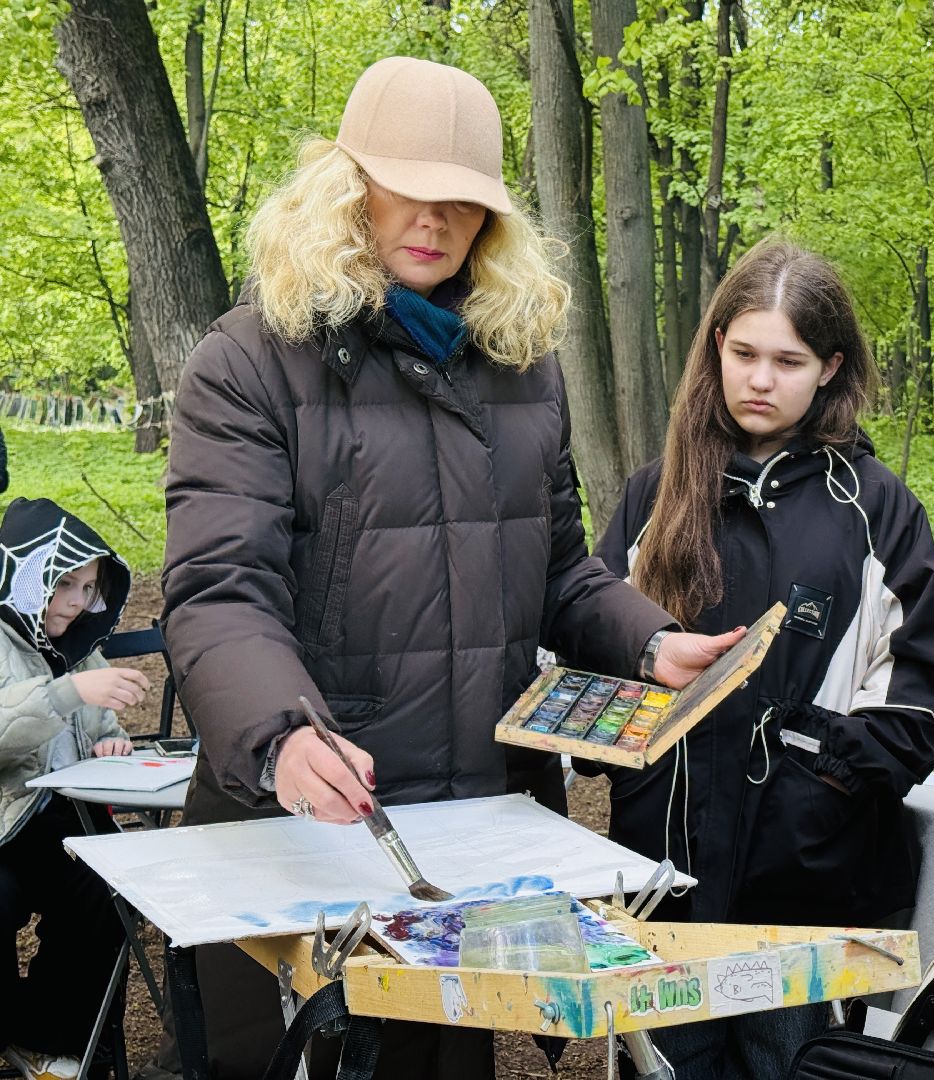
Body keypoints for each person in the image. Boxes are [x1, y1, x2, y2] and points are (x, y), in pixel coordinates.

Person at [161, 56, 740, 1080]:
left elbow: (559, 569)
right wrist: (282, 736)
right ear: (347, 188)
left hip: (480, 834)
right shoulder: (249, 359)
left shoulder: (524, 366)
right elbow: (219, 591)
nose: (434, 219)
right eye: (406, 189)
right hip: (313, 827)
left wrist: (648, 639)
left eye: (464, 203)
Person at [593, 240, 934, 1078]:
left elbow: (916, 701)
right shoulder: (656, 494)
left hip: (807, 886)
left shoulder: (875, 508)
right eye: (745, 354)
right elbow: (597, 651)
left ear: (830, 367)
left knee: (795, 1066)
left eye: (788, 361)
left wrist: (815, 771)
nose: (761, 379)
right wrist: (630, 758)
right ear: (716, 346)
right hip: (664, 880)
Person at [0, 498, 149, 1080]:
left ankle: (52, 1040)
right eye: (63, 583)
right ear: (23, 575)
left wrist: (111, 745)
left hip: (60, 818)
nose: (77, 600)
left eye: (88, 587)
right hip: (5, 820)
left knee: (106, 888)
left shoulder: (81, 643)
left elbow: (101, 726)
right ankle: (12, 1031)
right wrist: (71, 691)